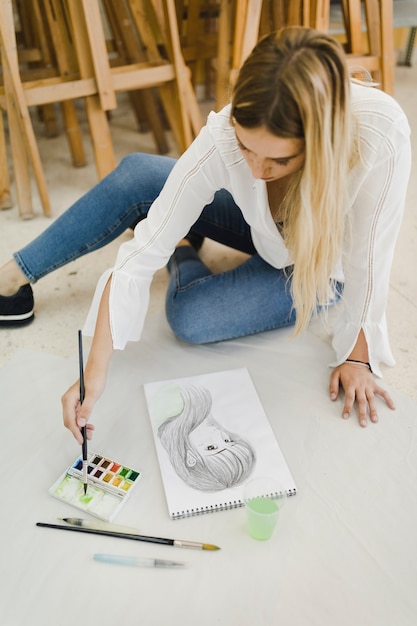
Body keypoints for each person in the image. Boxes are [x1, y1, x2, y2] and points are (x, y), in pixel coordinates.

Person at [0, 27, 411, 430]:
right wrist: (94, 372)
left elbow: (369, 258)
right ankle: (11, 279)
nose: (257, 170)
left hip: (313, 266)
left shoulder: (380, 133)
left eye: (279, 161)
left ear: (320, 143)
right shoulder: (225, 135)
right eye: (246, 148)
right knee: (137, 175)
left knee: (194, 318)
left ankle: (185, 244)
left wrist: (358, 356)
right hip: (258, 227)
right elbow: (139, 258)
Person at [152, 383, 256, 491]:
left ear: (191, 458)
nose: (219, 434)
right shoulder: (201, 404)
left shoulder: (173, 409)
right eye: (227, 440)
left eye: (211, 447)